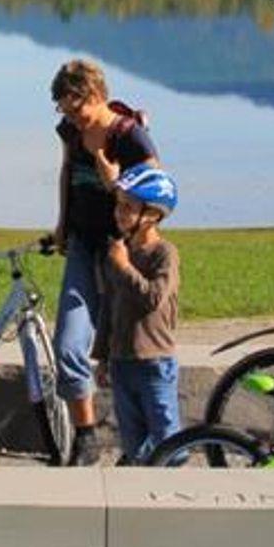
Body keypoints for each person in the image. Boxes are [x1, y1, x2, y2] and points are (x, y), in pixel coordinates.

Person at [49, 57, 158, 466]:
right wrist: (62, 222)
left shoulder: (131, 136)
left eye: (75, 107)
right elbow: (66, 172)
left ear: (95, 95)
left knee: (125, 351)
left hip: (122, 250)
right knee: (68, 345)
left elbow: (159, 197)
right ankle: (87, 437)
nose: (70, 116)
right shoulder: (70, 131)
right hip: (82, 243)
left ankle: (139, 446)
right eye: (63, 109)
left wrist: (115, 182)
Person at [96, 163, 182, 465]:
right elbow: (108, 306)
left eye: (128, 207)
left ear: (153, 214)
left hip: (154, 360)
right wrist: (102, 356)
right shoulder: (118, 251)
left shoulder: (164, 253)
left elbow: (153, 298)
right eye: (118, 205)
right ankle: (142, 481)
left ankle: (172, 480)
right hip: (121, 360)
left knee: (166, 436)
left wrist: (124, 267)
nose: (119, 213)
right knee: (132, 440)